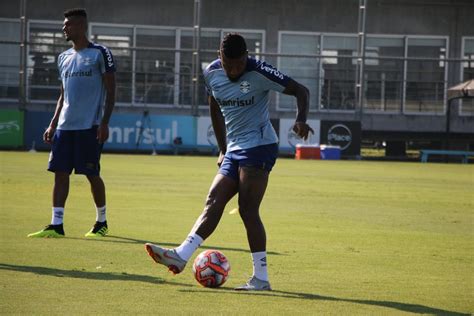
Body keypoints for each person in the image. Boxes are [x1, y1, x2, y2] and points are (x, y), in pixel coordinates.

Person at [145, 33, 312, 291]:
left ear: (246, 57)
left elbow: (301, 90)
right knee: (214, 199)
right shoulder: (211, 73)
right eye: (227, 64)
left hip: (259, 145)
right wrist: (223, 148)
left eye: (238, 65)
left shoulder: (259, 71)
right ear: (219, 57)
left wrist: (301, 119)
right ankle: (180, 255)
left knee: (247, 209)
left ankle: (261, 278)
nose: (233, 70)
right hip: (234, 148)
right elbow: (214, 106)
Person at [28, 8, 116, 238]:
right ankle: (56, 224)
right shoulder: (63, 57)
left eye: (68, 24)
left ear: (80, 26)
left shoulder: (100, 53)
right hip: (65, 127)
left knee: (91, 174)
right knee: (60, 172)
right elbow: (63, 94)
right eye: (64, 24)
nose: (63, 28)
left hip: (90, 127)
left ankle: (101, 222)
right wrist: (53, 123)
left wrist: (104, 123)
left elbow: (112, 90)